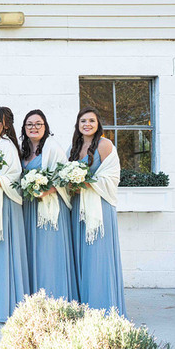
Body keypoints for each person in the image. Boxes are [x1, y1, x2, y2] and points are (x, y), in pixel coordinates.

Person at [68, 107, 126, 316]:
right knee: (81, 256)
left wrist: (87, 181)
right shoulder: (73, 149)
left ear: (97, 124)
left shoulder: (105, 145)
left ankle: (103, 308)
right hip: (79, 209)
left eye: (91, 121)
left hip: (99, 208)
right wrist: (71, 182)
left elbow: (112, 177)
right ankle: (84, 306)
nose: (87, 124)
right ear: (78, 124)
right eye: (83, 121)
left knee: (99, 256)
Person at [19, 109, 78, 301]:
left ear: (45, 127)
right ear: (24, 128)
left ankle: (54, 298)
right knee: (32, 252)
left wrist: (47, 190)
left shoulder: (52, 148)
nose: (33, 127)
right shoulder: (23, 149)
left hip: (50, 207)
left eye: (38, 124)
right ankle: (34, 298)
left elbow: (65, 177)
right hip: (29, 207)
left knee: (48, 253)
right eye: (29, 124)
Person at [0, 107, 30, 323]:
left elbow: (16, 176)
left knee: (4, 251)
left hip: (5, 203)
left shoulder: (8, 147)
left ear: (6, 124)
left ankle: (7, 305)